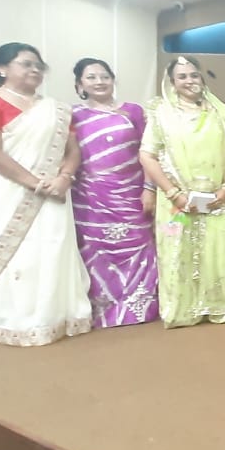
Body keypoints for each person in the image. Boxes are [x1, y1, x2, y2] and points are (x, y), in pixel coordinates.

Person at [0, 42, 91, 346]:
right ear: (3, 69)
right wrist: (34, 182)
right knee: (20, 256)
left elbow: (73, 151)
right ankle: (15, 322)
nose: (34, 70)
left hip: (53, 191)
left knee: (51, 249)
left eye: (38, 65)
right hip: (6, 191)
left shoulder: (57, 109)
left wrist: (64, 177)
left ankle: (56, 317)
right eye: (25, 64)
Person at [140, 56, 225, 328]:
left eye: (194, 75)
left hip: (218, 200)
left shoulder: (222, 115)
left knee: (219, 249)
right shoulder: (161, 114)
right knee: (178, 251)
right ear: (172, 82)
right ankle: (184, 309)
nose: (190, 81)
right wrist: (173, 192)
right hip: (176, 201)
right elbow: (147, 156)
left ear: (202, 79)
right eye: (183, 77)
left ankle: (221, 305)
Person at [70, 58, 159, 327]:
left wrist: (149, 188)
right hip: (89, 197)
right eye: (91, 77)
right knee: (94, 250)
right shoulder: (73, 115)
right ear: (79, 84)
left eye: (104, 76)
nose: (99, 81)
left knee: (139, 245)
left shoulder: (133, 112)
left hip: (131, 193)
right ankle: (101, 309)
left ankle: (139, 309)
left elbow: (150, 153)